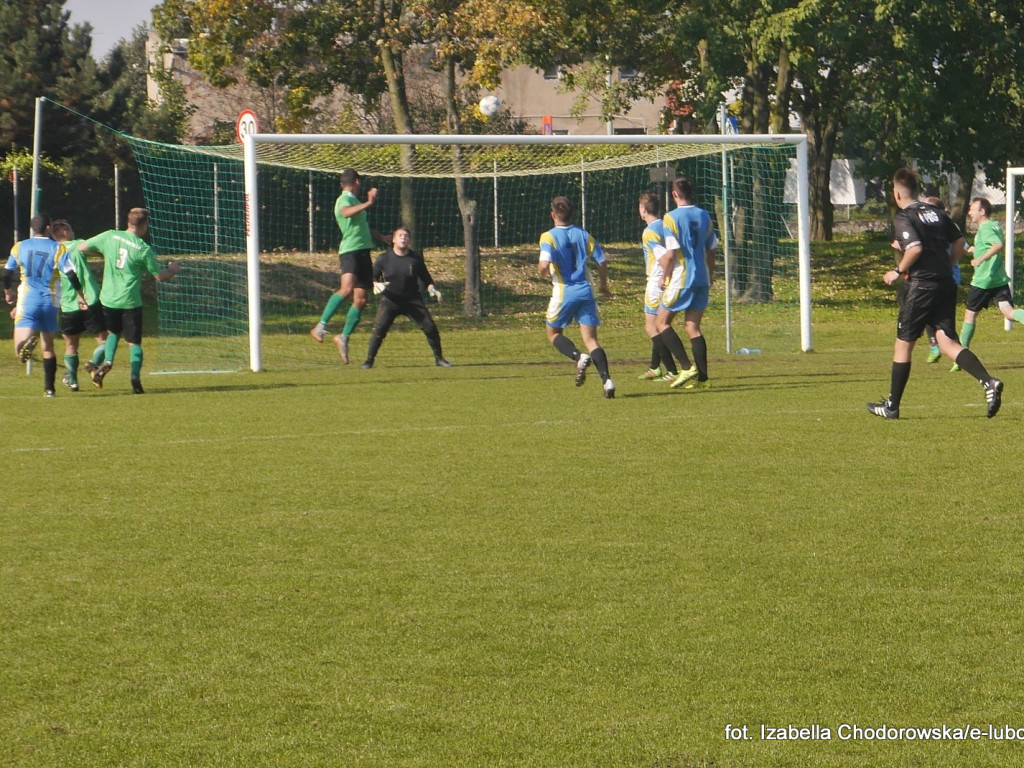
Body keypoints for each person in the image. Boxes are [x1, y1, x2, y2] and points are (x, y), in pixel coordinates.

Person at [867, 169, 1002, 419]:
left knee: (903, 343)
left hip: (921, 285)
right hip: (945, 283)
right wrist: (946, 265)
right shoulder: (937, 213)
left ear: (897, 193)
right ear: (917, 191)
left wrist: (897, 270)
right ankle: (988, 382)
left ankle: (892, 406)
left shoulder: (905, 215)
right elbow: (961, 243)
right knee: (947, 341)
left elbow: (915, 248)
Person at [79, 207, 181, 394]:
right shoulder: (143, 249)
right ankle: (135, 378)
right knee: (134, 343)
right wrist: (173, 270)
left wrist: (105, 254)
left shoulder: (109, 236)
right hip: (130, 301)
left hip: (109, 299)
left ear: (128, 221)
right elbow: (159, 276)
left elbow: (82, 248)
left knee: (112, 333)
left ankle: (108, 361)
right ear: (144, 225)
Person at [310, 168, 391, 364]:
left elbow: (362, 226)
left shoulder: (355, 201)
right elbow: (345, 213)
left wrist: (382, 237)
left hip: (363, 252)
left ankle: (343, 337)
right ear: (357, 182)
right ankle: (320, 326)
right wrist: (369, 202)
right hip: (350, 252)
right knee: (346, 289)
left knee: (361, 299)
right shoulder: (344, 199)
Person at [3, 213, 89, 397]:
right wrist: (80, 295)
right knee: (48, 347)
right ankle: (49, 389)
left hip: (28, 299)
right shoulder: (58, 248)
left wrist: (8, 291)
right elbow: (71, 275)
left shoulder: (19, 247)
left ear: (34, 228)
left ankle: (26, 344)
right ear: (48, 228)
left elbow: (7, 273)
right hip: (50, 301)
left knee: (19, 348)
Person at [538, 196, 615, 398]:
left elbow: (544, 265)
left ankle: (578, 356)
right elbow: (602, 261)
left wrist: (542, 273)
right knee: (591, 339)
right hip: (586, 291)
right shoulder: (584, 234)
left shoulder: (548, 237)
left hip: (564, 291)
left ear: (553, 214)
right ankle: (607, 381)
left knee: (553, 333)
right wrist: (604, 285)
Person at [360, 226, 451, 368]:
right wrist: (375, 284)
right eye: (400, 235)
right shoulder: (384, 258)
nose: (403, 238)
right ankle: (369, 361)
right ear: (394, 239)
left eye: (406, 236)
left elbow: (426, 278)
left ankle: (439, 359)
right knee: (379, 330)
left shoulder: (415, 259)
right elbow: (372, 276)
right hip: (390, 300)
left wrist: (432, 288)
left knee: (430, 327)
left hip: (412, 301)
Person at [950, 196, 1024, 372]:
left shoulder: (985, 229)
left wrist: (980, 259)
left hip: (983, 281)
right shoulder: (994, 225)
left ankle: (959, 358)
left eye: (972, 209)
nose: (969, 212)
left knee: (969, 315)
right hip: (998, 280)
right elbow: (991, 244)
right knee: (1008, 312)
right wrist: (976, 250)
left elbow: (997, 245)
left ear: (982, 211)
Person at [658, 176, 718, 390]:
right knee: (693, 326)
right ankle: (703, 378)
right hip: (701, 276)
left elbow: (672, 252)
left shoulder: (670, 218)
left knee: (661, 322)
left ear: (674, 194)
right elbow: (712, 250)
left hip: (682, 277)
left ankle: (686, 367)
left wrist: (664, 276)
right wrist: (710, 274)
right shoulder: (704, 215)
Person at [51, 219, 107, 392]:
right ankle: (94, 364)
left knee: (71, 345)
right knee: (105, 339)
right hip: (89, 298)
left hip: (68, 304)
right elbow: (95, 250)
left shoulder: (54, 252)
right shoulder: (77, 245)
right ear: (67, 232)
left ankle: (73, 381)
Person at [637, 191, 678, 381]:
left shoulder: (649, 232)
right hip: (671, 279)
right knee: (659, 325)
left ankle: (672, 370)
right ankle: (655, 367)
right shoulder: (666, 225)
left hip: (657, 280)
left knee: (651, 327)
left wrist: (662, 278)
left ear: (643, 210)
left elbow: (663, 257)